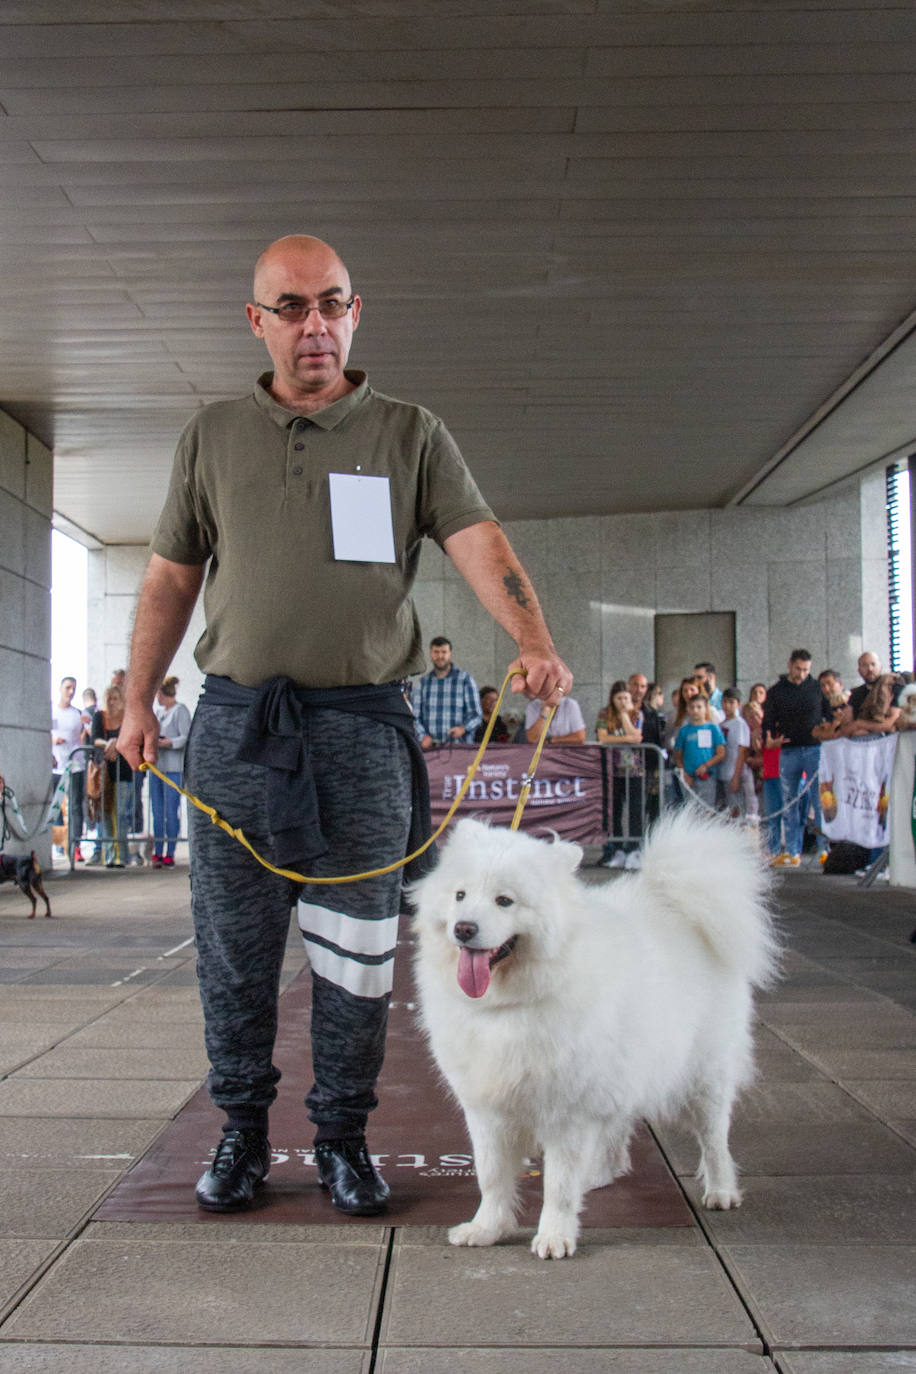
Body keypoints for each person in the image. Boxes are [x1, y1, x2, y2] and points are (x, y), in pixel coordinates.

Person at [116, 234, 572, 1219]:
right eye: (291, 307)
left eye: (330, 304)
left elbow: (476, 537)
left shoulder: (409, 433)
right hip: (237, 727)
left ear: (356, 312)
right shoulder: (211, 436)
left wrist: (532, 638)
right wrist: (136, 698)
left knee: (356, 953)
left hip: (362, 730)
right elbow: (169, 576)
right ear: (257, 321)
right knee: (233, 948)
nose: (312, 324)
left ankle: (342, 1140)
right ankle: (239, 1134)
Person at [761, 649, 832, 867]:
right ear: (790, 665)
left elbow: (829, 715)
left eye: (806, 670)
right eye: (798, 669)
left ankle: (824, 849)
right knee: (789, 802)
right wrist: (769, 738)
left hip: (814, 750)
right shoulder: (776, 691)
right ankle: (792, 851)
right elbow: (768, 720)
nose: (801, 674)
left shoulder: (816, 688)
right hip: (789, 750)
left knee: (819, 801)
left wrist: (828, 729)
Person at [597, 680, 643, 869]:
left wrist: (625, 715)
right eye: (619, 698)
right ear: (612, 699)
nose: (623, 701)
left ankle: (634, 849)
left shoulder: (636, 713)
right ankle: (616, 850)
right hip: (612, 770)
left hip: (633, 770)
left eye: (626, 698)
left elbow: (637, 737)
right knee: (613, 812)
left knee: (634, 812)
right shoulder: (605, 714)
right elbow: (603, 737)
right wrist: (626, 738)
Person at [150, 676, 192, 867]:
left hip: (174, 768)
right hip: (158, 768)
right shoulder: (158, 713)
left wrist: (170, 742)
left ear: (161, 693)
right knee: (157, 811)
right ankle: (157, 850)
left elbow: (186, 736)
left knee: (170, 810)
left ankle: (170, 851)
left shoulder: (180, 711)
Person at [413, 637, 482, 749]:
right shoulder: (423, 683)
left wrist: (463, 728)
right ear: (431, 654)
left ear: (450, 654)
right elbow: (414, 717)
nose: (440, 656)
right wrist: (422, 736)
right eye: (436, 652)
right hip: (431, 749)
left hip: (460, 748)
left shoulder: (465, 680)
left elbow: (476, 715)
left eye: (444, 652)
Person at [92, 684, 134, 868]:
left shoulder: (127, 718)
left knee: (121, 814)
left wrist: (117, 742)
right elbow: (95, 738)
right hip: (105, 772)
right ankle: (110, 856)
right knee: (107, 814)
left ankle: (121, 856)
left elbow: (129, 738)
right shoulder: (99, 716)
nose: (112, 702)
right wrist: (109, 742)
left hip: (123, 771)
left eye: (115, 698)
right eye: (109, 698)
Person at [51, 676, 87, 862]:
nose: (71, 691)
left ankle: (76, 844)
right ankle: (59, 842)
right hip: (57, 766)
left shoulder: (78, 713)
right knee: (55, 806)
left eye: (73, 688)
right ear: (60, 688)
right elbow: (45, 733)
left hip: (75, 767)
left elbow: (88, 730)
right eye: (67, 688)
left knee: (74, 806)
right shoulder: (52, 712)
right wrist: (53, 741)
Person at [673, 695, 726, 809]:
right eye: (692, 707)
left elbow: (721, 753)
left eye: (699, 707)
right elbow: (677, 754)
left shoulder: (713, 728)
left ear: (705, 709)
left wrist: (706, 766)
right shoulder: (684, 730)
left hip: (707, 776)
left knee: (707, 809)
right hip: (688, 777)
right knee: (690, 810)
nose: (695, 710)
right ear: (687, 709)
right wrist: (684, 774)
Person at [720, 687, 756, 820]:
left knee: (737, 812)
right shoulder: (721, 724)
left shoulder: (740, 724)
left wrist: (736, 776)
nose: (727, 706)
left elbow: (742, 751)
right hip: (722, 772)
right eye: (724, 702)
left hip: (734, 774)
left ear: (738, 704)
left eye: (731, 702)